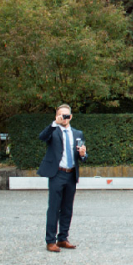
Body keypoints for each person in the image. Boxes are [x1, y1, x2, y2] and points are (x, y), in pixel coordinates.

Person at [37, 104, 87, 252]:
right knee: (53, 208)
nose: (64, 118)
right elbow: (42, 137)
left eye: (67, 115)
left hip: (71, 174)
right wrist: (54, 124)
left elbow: (82, 155)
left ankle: (63, 238)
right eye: (61, 115)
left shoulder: (78, 133)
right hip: (57, 173)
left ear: (71, 117)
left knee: (67, 208)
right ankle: (50, 240)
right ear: (57, 116)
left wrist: (83, 155)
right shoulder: (53, 131)